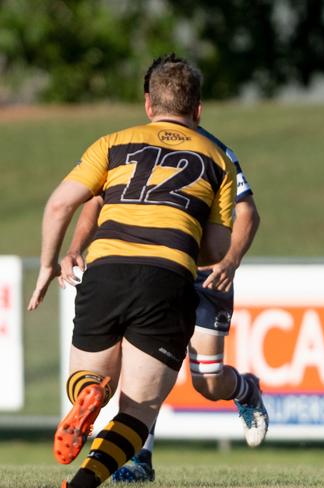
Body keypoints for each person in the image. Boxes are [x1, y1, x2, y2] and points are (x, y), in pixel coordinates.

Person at [28, 55, 237, 488]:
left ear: (148, 104)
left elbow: (59, 204)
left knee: (86, 379)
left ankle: (91, 392)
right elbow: (217, 248)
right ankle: (82, 485)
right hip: (167, 278)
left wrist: (49, 263)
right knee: (139, 410)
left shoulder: (113, 142)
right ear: (198, 110)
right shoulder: (217, 159)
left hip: (106, 268)